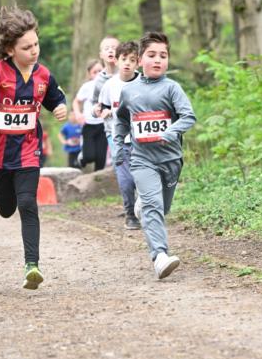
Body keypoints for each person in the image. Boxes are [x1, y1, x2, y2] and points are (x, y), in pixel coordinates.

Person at [0, 4, 67, 289]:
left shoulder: (43, 75)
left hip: (30, 149)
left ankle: (32, 265)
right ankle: (1, 197)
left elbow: (56, 99)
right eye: (26, 47)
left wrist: (60, 109)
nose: (34, 51)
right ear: (9, 50)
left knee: (28, 203)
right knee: (6, 207)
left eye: (36, 44)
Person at [114, 31, 196, 279]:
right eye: (151, 55)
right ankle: (160, 256)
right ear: (140, 60)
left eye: (163, 55)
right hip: (142, 160)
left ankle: (144, 206)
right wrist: (119, 145)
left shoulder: (172, 88)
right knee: (153, 205)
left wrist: (171, 132)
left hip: (170, 160)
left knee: (162, 207)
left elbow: (188, 116)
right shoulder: (129, 91)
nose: (158, 60)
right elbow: (121, 120)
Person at [98, 41, 140, 230]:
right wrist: (103, 112)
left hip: (142, 138)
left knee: (142, 176)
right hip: (118, 138)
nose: (127, 64)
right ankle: (130, 214)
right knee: (126, 179)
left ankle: (145, 210)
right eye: (124, 59)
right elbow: (103, 106)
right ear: (117, 61)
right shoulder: (109, 85)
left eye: (132, 60)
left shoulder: (144, 83)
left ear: (138, 63)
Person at [73, 58, 106, 170]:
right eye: (94, 72)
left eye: (100, 71)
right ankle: (81, 159)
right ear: (89, 74)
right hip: (89, 125)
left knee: (101, 160)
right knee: (90, 156)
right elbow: (76, 101)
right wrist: (78, 114)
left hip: (104, 126)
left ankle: (99, 185)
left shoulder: (109, 84)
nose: (97, 74)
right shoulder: (87, 86)